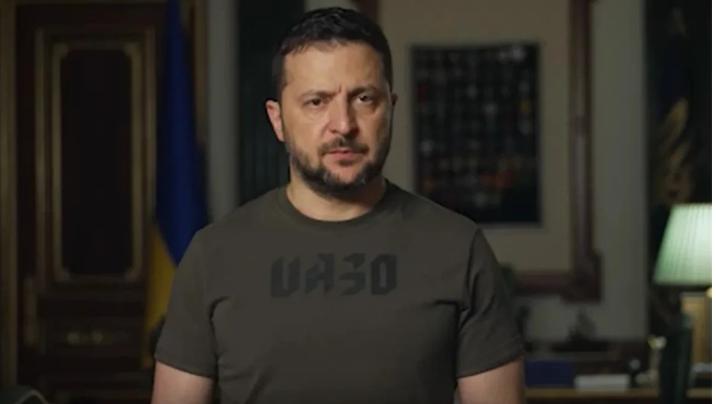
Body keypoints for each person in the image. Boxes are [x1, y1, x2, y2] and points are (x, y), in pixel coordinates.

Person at [152, 7, 524, 404]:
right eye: (316, 101)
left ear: (391, 107)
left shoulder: (459, 248)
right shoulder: (213, 255)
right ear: (277, 120)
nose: (343, 124)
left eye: (364, 99)